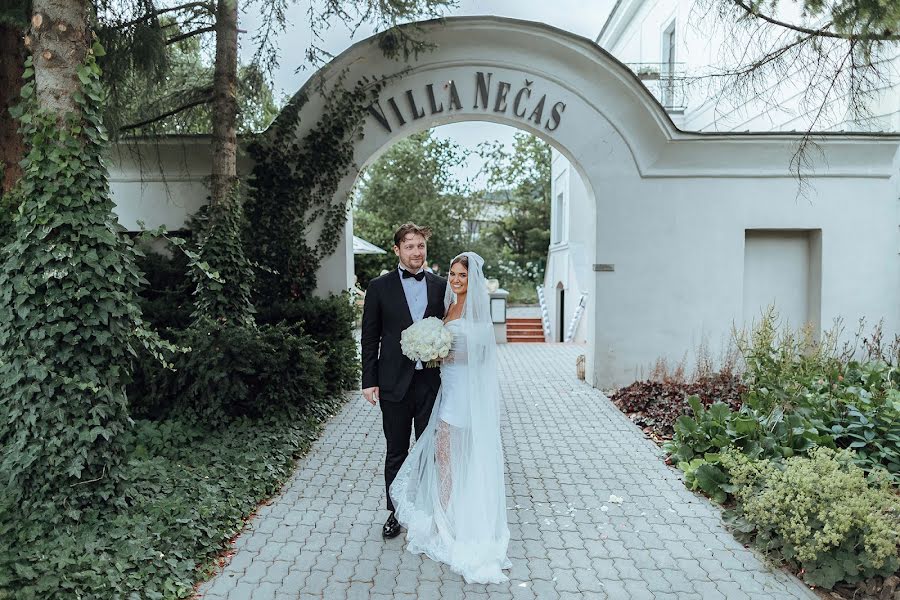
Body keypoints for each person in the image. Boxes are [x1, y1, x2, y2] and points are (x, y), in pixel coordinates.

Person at [389, 252, 511, 584]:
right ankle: (448, 519)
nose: (456, 280)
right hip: (449, 392)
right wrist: (431, 352)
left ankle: (457, 523)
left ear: (474, 280)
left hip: (466, 398)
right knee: (445, 458)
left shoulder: (477, 312)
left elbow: (482, 353)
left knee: (460, 458)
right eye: (454, 274)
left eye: (463, 276)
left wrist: (443, 352)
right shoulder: (450, 306)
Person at [360, 223, 448, 539]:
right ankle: (395, 512)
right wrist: (368, 381)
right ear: (398, 250)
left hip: (431, 383)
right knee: (396, 450)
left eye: (420, 246)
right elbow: (369, 338)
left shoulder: (441, 286)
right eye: (409, 246)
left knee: (428, 450)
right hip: (393, 382)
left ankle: (425, 510)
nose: (416, 252)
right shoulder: (379, 287)